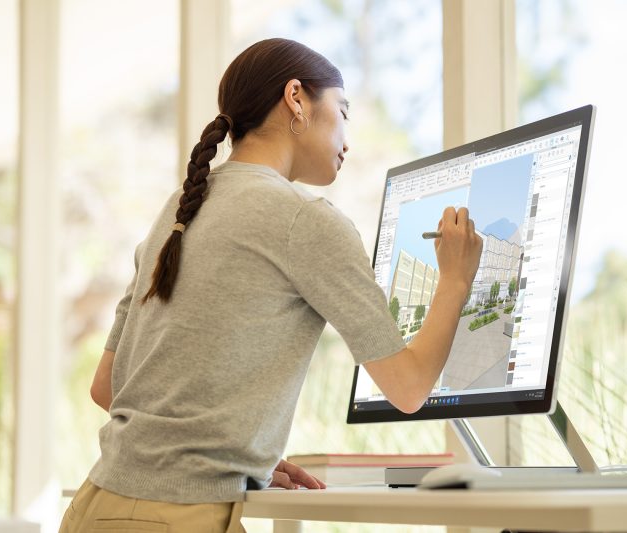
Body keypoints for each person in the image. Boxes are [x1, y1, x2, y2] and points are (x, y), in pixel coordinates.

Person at [59, 38, 482, 533]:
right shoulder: (304, 220)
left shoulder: (181, 207)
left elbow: (107, 387)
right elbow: (408, 388)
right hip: (180, 518)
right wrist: (455, 278)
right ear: (296, 98)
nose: (348, 141)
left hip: (95, 507)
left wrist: (230, 455)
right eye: (343, 112)